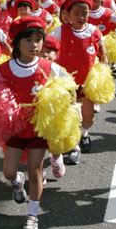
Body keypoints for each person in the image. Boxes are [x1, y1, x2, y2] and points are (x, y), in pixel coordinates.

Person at [0, 16, 67, 229]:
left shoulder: (49, 66)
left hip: (38, 128)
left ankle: (32, 215)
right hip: (15, 128)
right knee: (9, 171)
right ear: (17, 43)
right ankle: (16, 182)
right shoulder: (5, 69)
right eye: (28, 40)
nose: (34, 45)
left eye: (38, 39)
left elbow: (66, 87)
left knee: (35, 171)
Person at [50, 0, 107, 164]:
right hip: (66, 84)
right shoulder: (60, 31)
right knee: (71, 117)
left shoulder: (94, 32)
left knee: (88, 118)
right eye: (77, 13)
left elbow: (103, 53)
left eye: (85, 13)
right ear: (67, 14)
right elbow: (48, 49)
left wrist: (104, 68)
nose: (81, 17)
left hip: (87, 83)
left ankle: (83, 133)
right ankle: (74, 146)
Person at [39, 35, 66, 179]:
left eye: (49, 51)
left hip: (54, 112)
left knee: (54, 140)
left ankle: (57, 158)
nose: (44, 54)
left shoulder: (56, 69)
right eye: (41, 50)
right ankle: (39, 171)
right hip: (36, 112)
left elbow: (69, 87)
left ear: (56, 54)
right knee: (39, 143)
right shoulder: (33, 68)